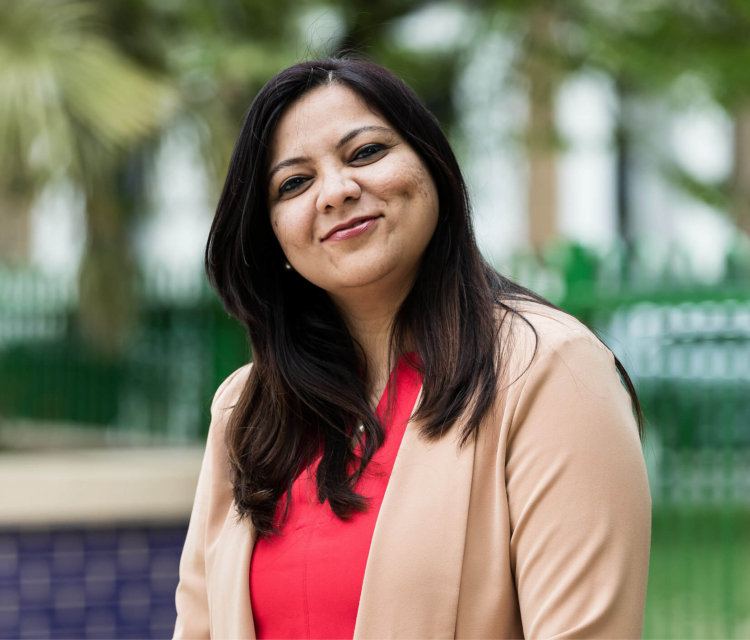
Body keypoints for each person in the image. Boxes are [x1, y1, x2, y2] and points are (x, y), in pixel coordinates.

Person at [173, 56, 651, 640]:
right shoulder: (246, 409)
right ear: (270, 235)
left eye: (366, 152)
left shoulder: (548, 370)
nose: (337, 191)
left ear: (432, 163)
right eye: (294, 183)